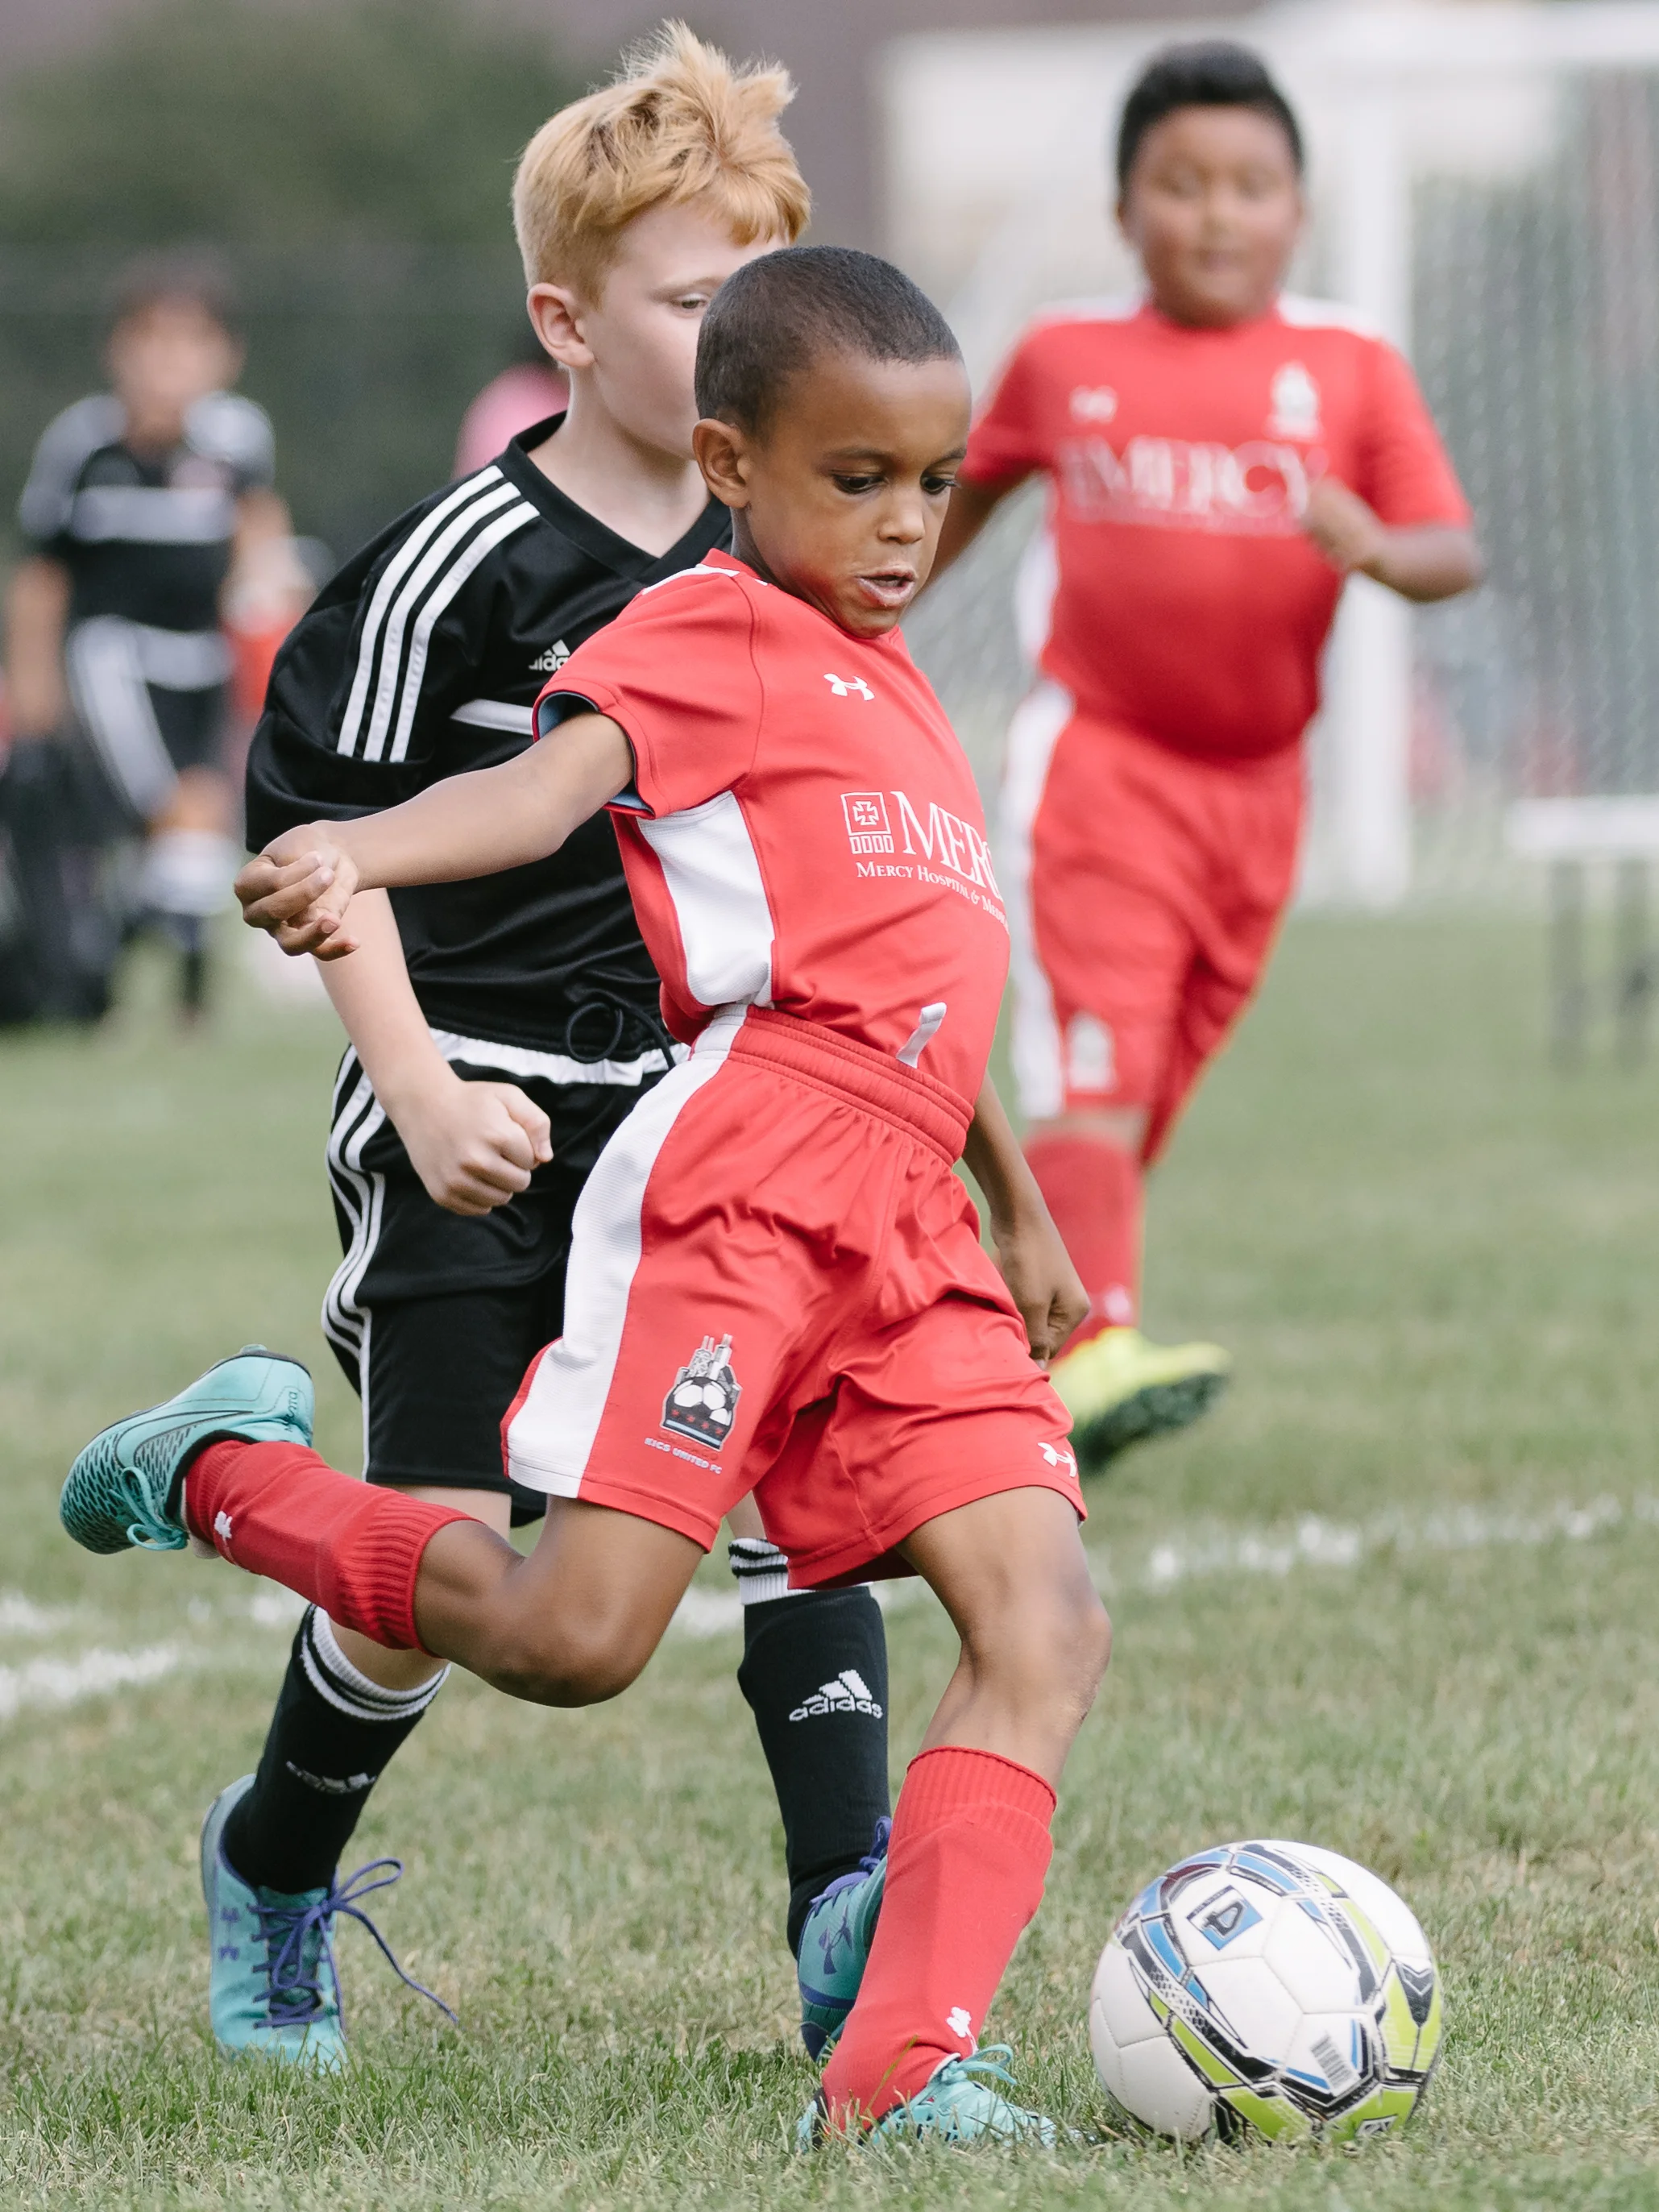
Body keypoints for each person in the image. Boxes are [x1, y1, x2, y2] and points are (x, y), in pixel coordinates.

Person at [64, 243, 1112, 2148]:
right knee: (572, 1638)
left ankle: (897, 2070)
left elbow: (931, 966)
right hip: (757, 1177)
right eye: (852, 477)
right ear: (731, 461)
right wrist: (360, 851)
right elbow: (551, 794)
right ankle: (226, 1476)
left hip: (918, 1212)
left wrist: (1019, 1207)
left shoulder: (899, 687)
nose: (901, 524)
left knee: (1041, 1621)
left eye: (934, 482)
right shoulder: (705, 627)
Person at [149, 30, 893, 2073]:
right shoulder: (446, 574)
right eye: (690, 305)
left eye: (761, 302)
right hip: (467, 1099)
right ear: (565, 323)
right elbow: (307, 859)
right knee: (434, 1576)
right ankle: (276, 1864)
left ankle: (859, 1932)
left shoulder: (784, 572)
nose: (739, 342)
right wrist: (416, 1087)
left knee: (792, 1497)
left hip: (710, 1123)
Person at [930, 42, 1481, 1468]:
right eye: (1179, 185)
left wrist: (1371, 546)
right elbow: (944, 513)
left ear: (1297, 207)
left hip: (1259, 795)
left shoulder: (1346, 368)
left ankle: (976, 1340)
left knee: (1136, 1100)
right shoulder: (1063, 359)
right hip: (1100, 764)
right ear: (1122, 212)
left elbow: (1447, 550)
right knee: (1089, 1079)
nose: (1216, 214)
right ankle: (1090, 1351)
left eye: (1248, 184)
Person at [6, 255, 292, 1019]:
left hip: (203, 658)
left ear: (225, 355)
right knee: (184, 805)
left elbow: (259, 536)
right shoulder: (85, 445)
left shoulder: (236, 439)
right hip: (114, 658)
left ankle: (120, 960)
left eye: (191, 342)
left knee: (191, 826)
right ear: (117, 351)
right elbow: (43, 574)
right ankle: (175, 988)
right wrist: (30, 682)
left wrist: (271, 601)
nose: (169, 361)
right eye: (150, 341)